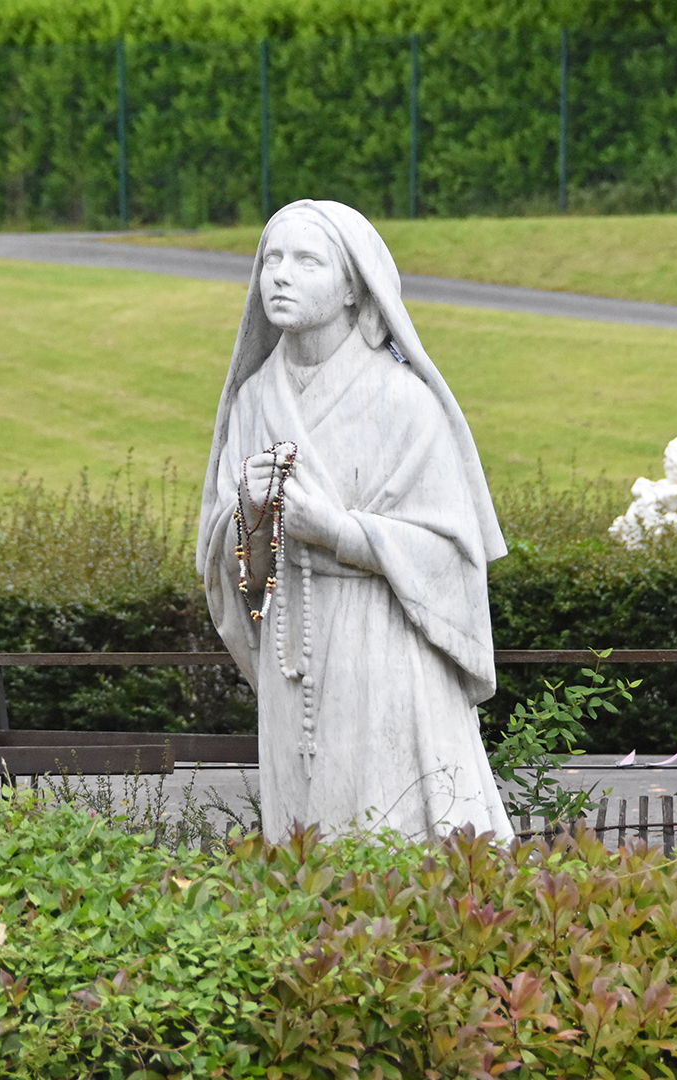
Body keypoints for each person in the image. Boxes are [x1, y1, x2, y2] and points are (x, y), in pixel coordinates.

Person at [197, 199, 515, 842]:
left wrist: (338, 531)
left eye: (306, 260)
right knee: (301, 842)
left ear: (351, 287)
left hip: (381, 645)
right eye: (271, 259)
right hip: (292, 649)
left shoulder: (404, 402)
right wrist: (249, 516)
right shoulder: (254, 399)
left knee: (386, 831)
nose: (280, 275)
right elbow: (235, 571)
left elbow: (452, 553)